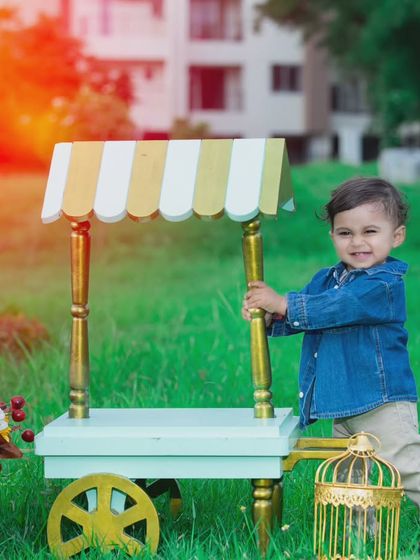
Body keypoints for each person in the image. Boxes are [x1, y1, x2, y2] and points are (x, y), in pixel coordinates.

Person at [242, 177, 420, 507]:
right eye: (345, 233)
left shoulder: (383, 285)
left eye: (370, 231)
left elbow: (339, 306)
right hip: (344, 404)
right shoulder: (326, 279)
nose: (357, 242)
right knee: (351, 480)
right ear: (332, 236)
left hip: (382, 404)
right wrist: (268, 316)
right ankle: (360, 544)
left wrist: (282, 303)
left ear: (396, 236)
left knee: (409, 471)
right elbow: (303, 316)